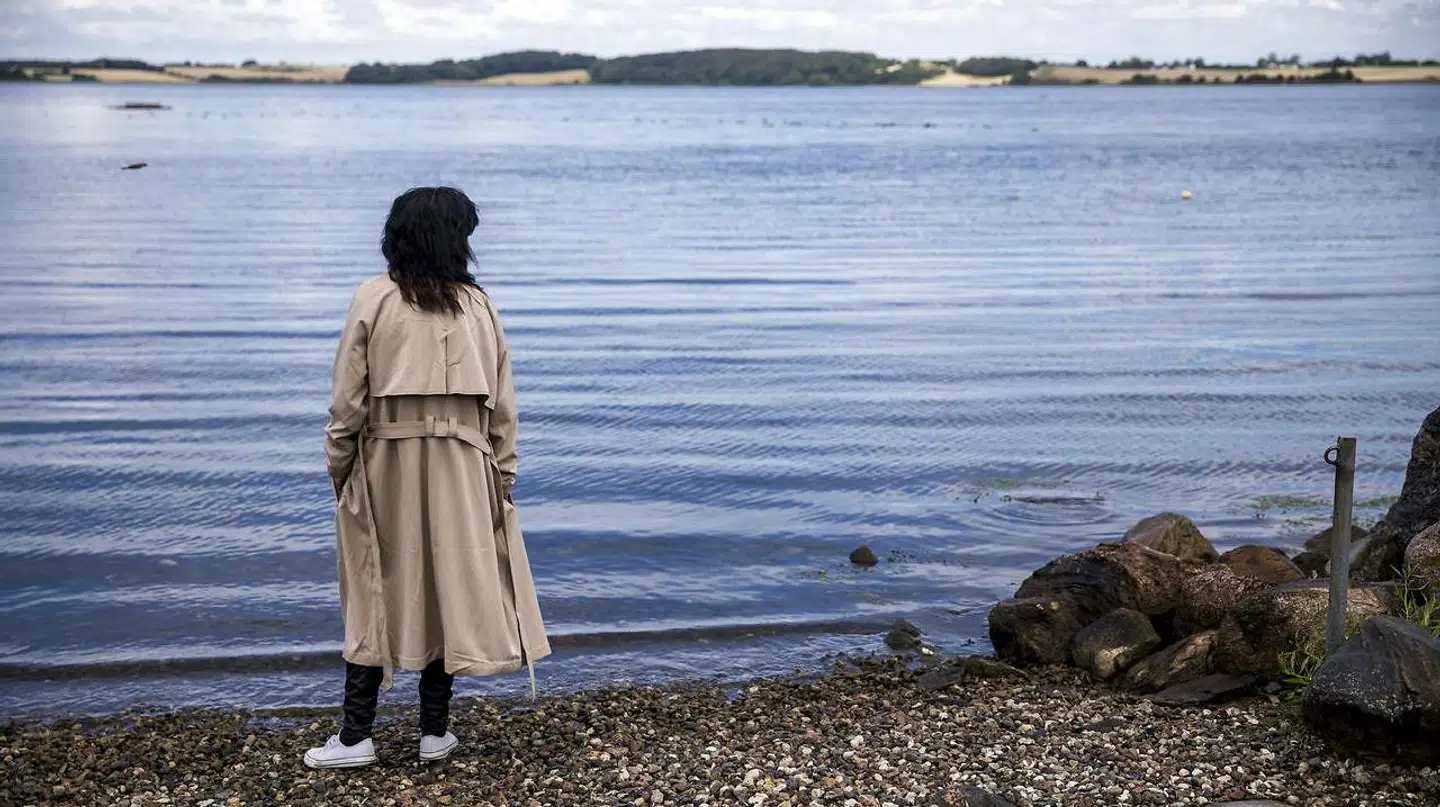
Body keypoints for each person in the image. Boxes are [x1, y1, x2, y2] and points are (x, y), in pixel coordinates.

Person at [304, 187, 550, 769]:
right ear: (454, 240)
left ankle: (356, 736)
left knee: (374, 586)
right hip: (465, 467)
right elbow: (503, 410)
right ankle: (433, 731)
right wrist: (504, 477)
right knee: (447, 590)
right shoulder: (479, 307)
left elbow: (347, 402)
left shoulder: (373, 298)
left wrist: (339, 468)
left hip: (385, 465)